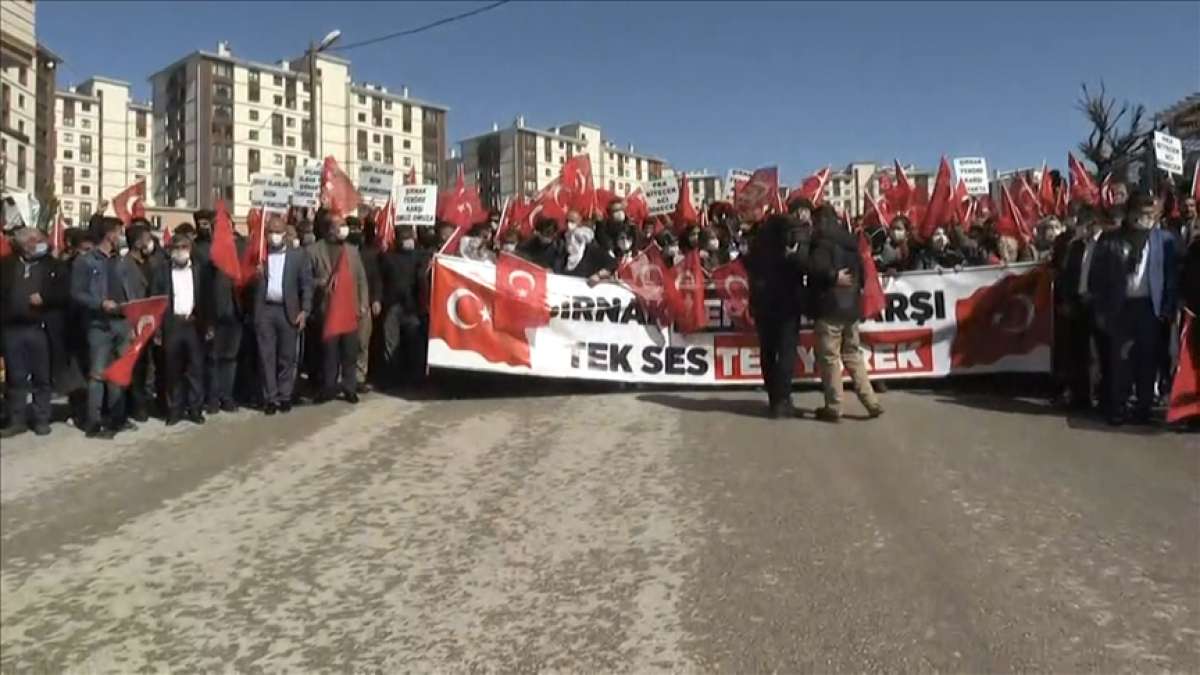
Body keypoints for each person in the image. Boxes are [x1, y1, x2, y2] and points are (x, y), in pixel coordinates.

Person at [1089, 192, 1179, 425]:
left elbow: (1170, 277)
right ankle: (1119, 407)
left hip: (1149, 308)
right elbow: (1097, 277)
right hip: (1120, 307)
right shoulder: (1110, 240)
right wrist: (1099, 308)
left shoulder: (1164, 240)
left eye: (1151, 213)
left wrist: (1167, 309)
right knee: (1120, 359)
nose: (1146, 217)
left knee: (1147, 359)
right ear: (1130, 213)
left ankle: (1144, 407)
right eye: (1142, 213)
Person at [807, 206, 884, 422]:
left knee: (829, 357)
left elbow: (815, 268)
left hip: (829, 307)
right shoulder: (851, 242)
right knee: (853, 355)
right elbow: (861, 273)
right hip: (850, 307)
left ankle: (834, 406)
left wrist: (831, 277)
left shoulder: (821, 242)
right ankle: (871, 402)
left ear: (820, 220)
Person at [71, 218, 141, 438]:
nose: (122, 235)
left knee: (119, 373)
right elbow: (77, 293)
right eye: (119, 231)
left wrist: (135, 318)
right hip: (99, 324)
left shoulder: (123, 261)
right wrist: (100, 303)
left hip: (122, 323)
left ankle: (117, 418)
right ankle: (94, 421)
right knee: (98, 374)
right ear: (109, 234)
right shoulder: (85, 261)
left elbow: (132, 291)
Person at [745, 199, 810, 418]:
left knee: (768, 351)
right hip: (787, 305)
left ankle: (775, 399)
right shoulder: (787, 250)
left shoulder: (757, 249)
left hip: (763, 305)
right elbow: (801, 266)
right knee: (786, 352)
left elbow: (749, 269)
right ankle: (783, 400)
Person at [1, 229, 66, 436]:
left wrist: (45, 298)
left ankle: (41, 418)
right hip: (12, 329)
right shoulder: (7, 265)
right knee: (16, 377)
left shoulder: (53, 266)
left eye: (40, 240)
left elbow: (65, 294)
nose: (39, 244)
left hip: (39, 329)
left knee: (42, 377)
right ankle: (17, 419)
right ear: (23, 244)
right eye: (34, 241)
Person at [251, 215, 313, 415]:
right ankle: (270, 397)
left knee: (287, 356)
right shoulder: (260, 255)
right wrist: (255, 274)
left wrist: (305, 310)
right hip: (266, 310)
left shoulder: (297, 256)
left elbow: (306, 285)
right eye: (270, 232)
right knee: (266, 355)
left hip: (289, 311)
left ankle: (285, 395)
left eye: (277, 232)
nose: (273, 236)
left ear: (285, 234)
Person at [308, 209, 370, 403]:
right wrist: (321, 282)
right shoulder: (313, 251)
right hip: (327, 311)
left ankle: (349, 387)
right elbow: (306, 280)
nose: (344, 229)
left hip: (349, 310)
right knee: (329, 353)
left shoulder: (352, 251)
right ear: (329, 230)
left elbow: (361, 279)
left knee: (349, 352)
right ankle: (329, 387)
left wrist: (363, 304)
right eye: (340, 226)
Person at [151, 235, 206, 426]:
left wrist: (207, 324)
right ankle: (174, 409)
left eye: (184, 247)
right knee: (172, 369)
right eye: (177, 247)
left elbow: (207, 299)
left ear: (190, 248)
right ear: (170, 249)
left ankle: (195, 408)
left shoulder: (199, 270)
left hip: (192, 324)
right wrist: (157, 329)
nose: (180, 251)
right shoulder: (161, 272)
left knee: (195, 369)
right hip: (172, 324)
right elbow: (155, 302)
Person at [379, 226, 429, 387]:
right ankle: (392, 376)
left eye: (410, 237)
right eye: (405, 237)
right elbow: (381, 280)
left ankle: (414, 377)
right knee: (391, 343)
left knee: (414, 343)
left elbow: (423, 280)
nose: (408, 241)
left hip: (412, 306)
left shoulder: (420, 257)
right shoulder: (387, 257)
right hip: (393, 306)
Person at [347, 217, 383, 391]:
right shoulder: (340, 252)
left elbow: (376, 278)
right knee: (346, 343)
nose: (354, 232)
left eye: (357, 228)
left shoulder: (369, 254)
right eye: (350, 228)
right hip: (344, 305)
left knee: (362, 343)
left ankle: (360, 377)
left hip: (364, 304)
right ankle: (344, 377)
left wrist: (375, 299)